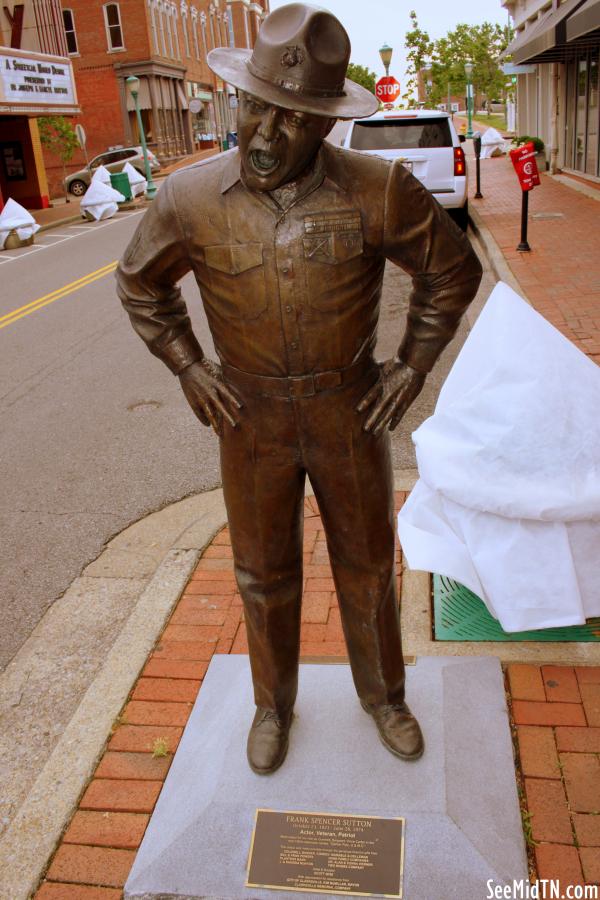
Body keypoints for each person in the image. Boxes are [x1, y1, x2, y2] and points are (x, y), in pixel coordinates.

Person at [116, 2, 482, 775]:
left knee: (367, 563)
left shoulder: (379, 190)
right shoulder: (187, 200)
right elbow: (139, 284)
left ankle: (384, 696)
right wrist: (188, 365)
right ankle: (272, 706)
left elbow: (452, 272)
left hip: (347, 412)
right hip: (250, 421)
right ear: (237, 101)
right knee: (262, 573)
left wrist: (413, 365)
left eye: (291, 119)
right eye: (255, 109)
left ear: (324, 125)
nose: (265, 135)